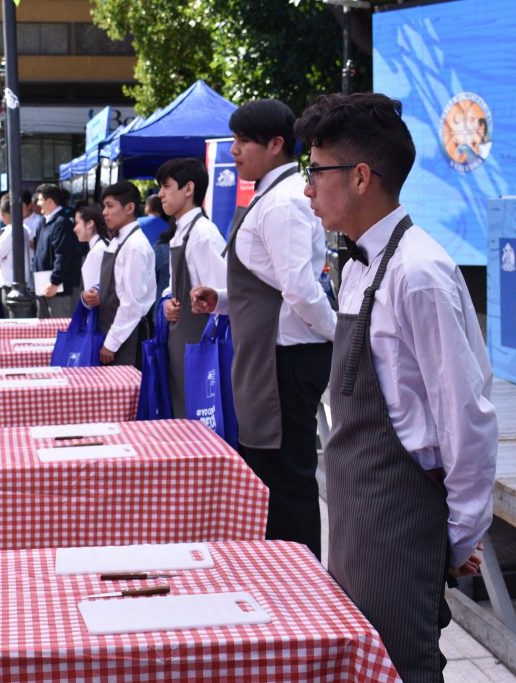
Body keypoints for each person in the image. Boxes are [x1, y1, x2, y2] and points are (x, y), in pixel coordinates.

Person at [296, 93, 497, 680]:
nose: (307, 189)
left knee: (404, 666)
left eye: (317, 171)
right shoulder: (356, 269)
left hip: (399, 517)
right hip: (355, 511)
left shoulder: (419, 273)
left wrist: (457, 535)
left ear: (360, 177)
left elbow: (466, 413)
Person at [191, 99, 336, 559]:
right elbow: (274, 284)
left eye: (242, 141)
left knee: (286, 482)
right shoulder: (272, 196)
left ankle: (300, 580)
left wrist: (339, 335)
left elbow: (300, 290)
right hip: (271, 359)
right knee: (272, 478)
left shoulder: (284, 202)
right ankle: (284, 573)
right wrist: (223, 300)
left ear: (276, 144)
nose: (234, 151)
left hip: (284, 362)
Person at [156, 158, 227, 419]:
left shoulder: (203, 234)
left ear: (188, 188)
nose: (160, 194)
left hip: (199, 347)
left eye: (166, 186)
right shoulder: (181, 232)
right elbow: (173, 284)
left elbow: (223, 296)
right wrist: (167, 300)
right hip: (180, 343)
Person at [81, 181, 155, 367]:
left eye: (110, 206)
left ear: (129, 207)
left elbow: (132, 303)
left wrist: (111, 344)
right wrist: (98, 292)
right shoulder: (117, 240)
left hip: (126, 337)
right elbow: (117, 285)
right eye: (104, 206)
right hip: (111, 330)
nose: (104, 212)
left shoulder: (135, 246)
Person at [33, 184, 82, 318]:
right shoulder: (43, 223)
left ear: (50, 201)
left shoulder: (61, 223)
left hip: (57, 289)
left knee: (58, 326)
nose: (38, 203)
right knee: (43, 328)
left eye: (40, 200)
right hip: (42, 285)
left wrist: (55, 282)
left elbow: (63, 255)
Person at [0, 194, 36, 317]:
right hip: (25, 284)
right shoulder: (24, 229)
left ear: (2, 214)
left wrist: (0, 257)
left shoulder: (9, 232)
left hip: (11, 286)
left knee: (12, 323)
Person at [73, 204, 109, 294]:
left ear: (90, 223)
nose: (74, 229)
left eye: (77, 223)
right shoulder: (105, 243)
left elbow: (91, 294)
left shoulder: (96, 252)